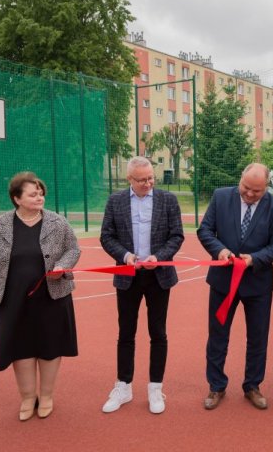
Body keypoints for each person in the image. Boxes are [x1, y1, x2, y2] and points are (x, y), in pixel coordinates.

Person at [0, 172, 80, 421]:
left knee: (50, 347)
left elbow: (73, 248)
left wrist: (62, 266)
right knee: (20, 348)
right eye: (33, 194)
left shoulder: (58, 222)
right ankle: (27, 397)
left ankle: (47, 395)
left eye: (41, 192)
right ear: (17, 198)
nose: (39, 197)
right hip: (13, 298)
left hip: (52, 297)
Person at [197, 163, 273, 410]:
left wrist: (253, 259)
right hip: (223, 282)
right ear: (240, 180)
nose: (249, 194)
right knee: (218, 336)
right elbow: (205, 230)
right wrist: (220, 250)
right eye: (246, 187)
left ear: (266, 188)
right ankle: (216, 386)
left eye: (256, 191)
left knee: (258, 338)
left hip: (257, 283)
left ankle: (252, 386)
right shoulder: (220, 196)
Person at [100, 156, 183, 414]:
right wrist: (126, 256)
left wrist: (159, 258)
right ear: (129, 179)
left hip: (159, 276)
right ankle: (123, 386)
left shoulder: (168, 200)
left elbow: (176, 235)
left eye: (150, 178)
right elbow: (107, 236)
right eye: (142, 179)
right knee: (126, 333)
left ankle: (155, 388)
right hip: (128, 275)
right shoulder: (115, 201)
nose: (148, 183)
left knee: (158, 332)